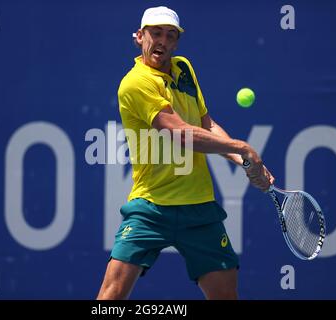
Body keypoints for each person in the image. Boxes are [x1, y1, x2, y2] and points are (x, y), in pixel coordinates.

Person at [97, 6, 274, 300]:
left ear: (177, 42)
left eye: (170, 35)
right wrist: (242, 147)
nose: (162, 41)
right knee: (111, 296)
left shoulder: (184, 69)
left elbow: (206, 124)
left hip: (199, 206)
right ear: (139, 37)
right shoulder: (136, 83)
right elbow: (181, 133)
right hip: (151, 206)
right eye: (155, 33)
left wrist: (242, 161)